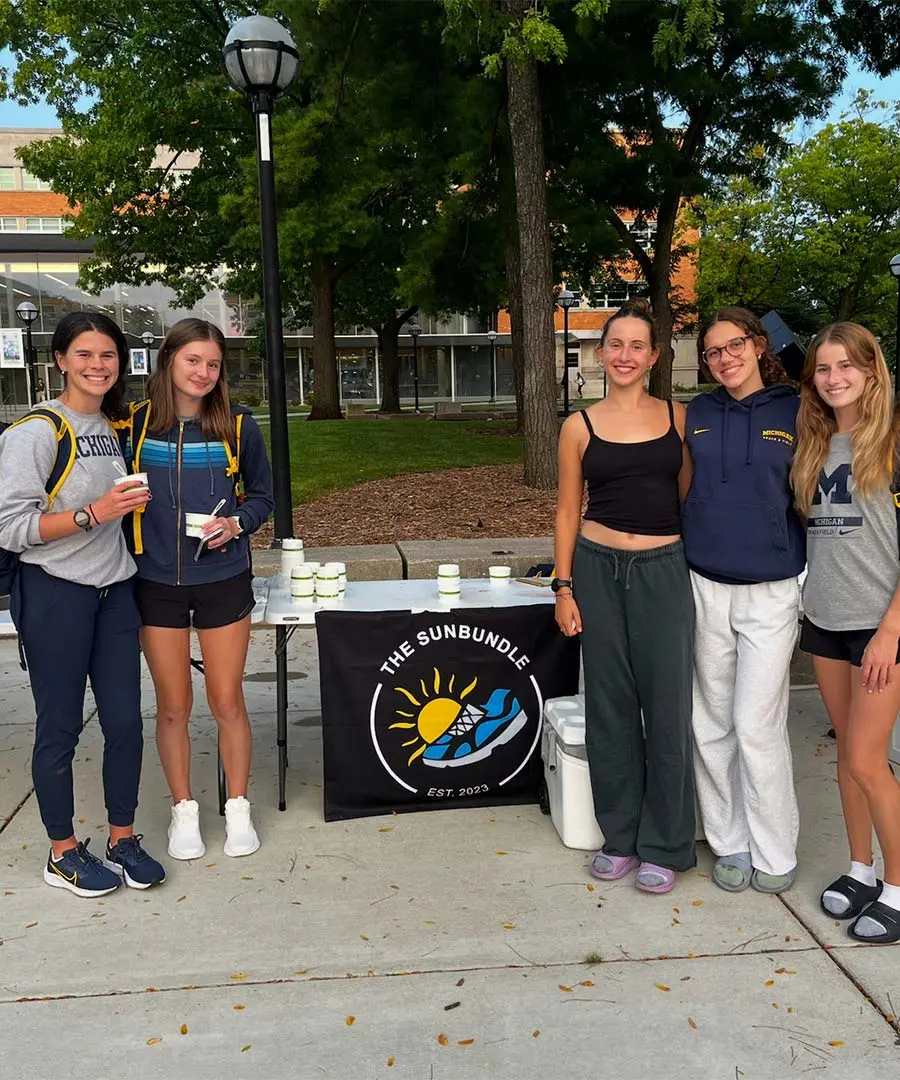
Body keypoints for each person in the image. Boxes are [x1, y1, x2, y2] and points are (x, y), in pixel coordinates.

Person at [0, 312, 164, 897]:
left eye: (109, 355)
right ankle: (62, 851)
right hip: (55, 593)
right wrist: (94, 514)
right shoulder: (36, 432)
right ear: (61, 360)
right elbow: (12, 528)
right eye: (86, 355)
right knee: (60, 726)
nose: (99, 365)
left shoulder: (115, 425)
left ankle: (122, 839)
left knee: (124, 721)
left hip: (115, 591)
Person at [554, 298, 695, 895]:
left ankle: (665, 843)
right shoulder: (578, 426)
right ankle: (620, 836)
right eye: (616, 345)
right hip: (596, 568)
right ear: (600, 353)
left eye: (638, 346)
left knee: (667, 708)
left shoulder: (681, 418)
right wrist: (563, 585)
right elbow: (565, 509)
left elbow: (687, 496)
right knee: (610, 706)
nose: (626, 356)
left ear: (655, 356)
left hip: (664, 569)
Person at [122, 318, 274, 861]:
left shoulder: (238, 425)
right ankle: (183, 811)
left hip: (222, 578)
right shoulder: (134, 427)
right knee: (172, 707)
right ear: (169, 362)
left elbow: (263, 495)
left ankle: (237, 807)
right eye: (193, 361)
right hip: (155, 582)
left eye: (213, 364)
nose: (204, 373)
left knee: (227, 699)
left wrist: (237, 524)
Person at [683, 307, 805, 895]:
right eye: (713, 352)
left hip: (772, 589)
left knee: (756, 723)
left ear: (758, 346)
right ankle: (728, 840)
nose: (725, 359)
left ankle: (774, 846)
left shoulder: (799, 409)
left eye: (734, 346)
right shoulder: (698, 414)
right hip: (705, 583)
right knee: (710, 721)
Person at [793, 322, 900, 943]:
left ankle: (897, 885)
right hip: (826, 622)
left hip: (881, 628)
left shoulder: (891, 441)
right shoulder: (814, 445)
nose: (833, 379)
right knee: (848, 760)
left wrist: (890, 631)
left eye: (845, 367)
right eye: (823, 370)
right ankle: (861, 869)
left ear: (871, 370)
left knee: (867, 760)